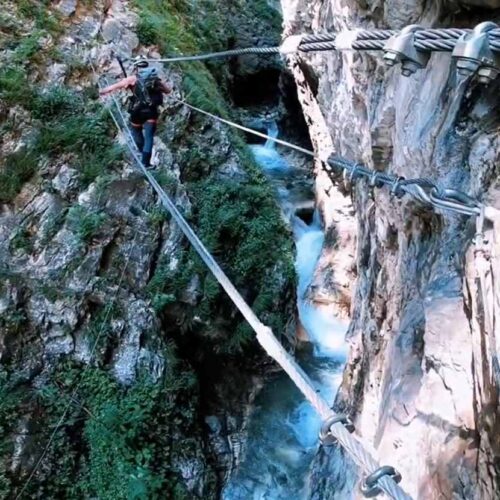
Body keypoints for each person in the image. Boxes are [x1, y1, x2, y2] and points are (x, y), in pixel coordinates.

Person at [99, 59, 173, 168]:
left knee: (136, 131)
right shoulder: (156, 80)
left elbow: (113, 87)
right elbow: (168, 91)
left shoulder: (132, 79)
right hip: (151, 112)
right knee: (149, 137)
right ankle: (146, 163)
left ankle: (141, 152)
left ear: (136, 68)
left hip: (138, 111)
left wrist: (101, 91)